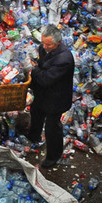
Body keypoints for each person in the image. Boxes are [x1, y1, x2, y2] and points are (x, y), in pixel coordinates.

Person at [26, 25, 75, 169]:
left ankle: (53, 156)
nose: (45, 46)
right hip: (43, 93)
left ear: (58, 42)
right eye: (43, 43)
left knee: (52, 128)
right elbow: (40, 64)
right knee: (35, 112)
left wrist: (32, 70)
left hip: (57, 98)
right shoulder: (44, 48)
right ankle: (33, 136)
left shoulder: (64, 59)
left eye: (48, 44)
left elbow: (46, 79)